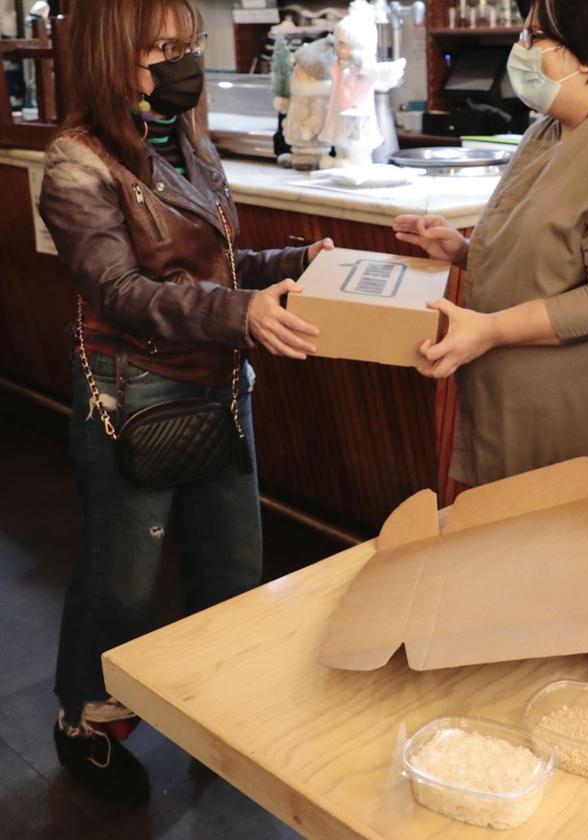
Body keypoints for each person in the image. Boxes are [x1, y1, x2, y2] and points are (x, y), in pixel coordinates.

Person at [38, 0, 332, 801]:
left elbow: (215, 268)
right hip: (136, 390)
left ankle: (219, 707)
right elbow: (126, 292)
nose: (179, 64)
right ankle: (84, 717)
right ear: (107, 57)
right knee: (122, 577)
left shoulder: (187, 145)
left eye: (185, 45)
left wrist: (297, 261)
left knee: (233, 564)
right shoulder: (76, 163)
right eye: (157, 48)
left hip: (218, 383)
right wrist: (243, 314)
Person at [393, 0, 588, 491]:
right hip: (518, 417)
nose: (520, 49)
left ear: (587, 56)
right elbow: (547, 247)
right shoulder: (548, 131)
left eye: (534, 37)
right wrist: (461, 250)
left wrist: (491, 330)